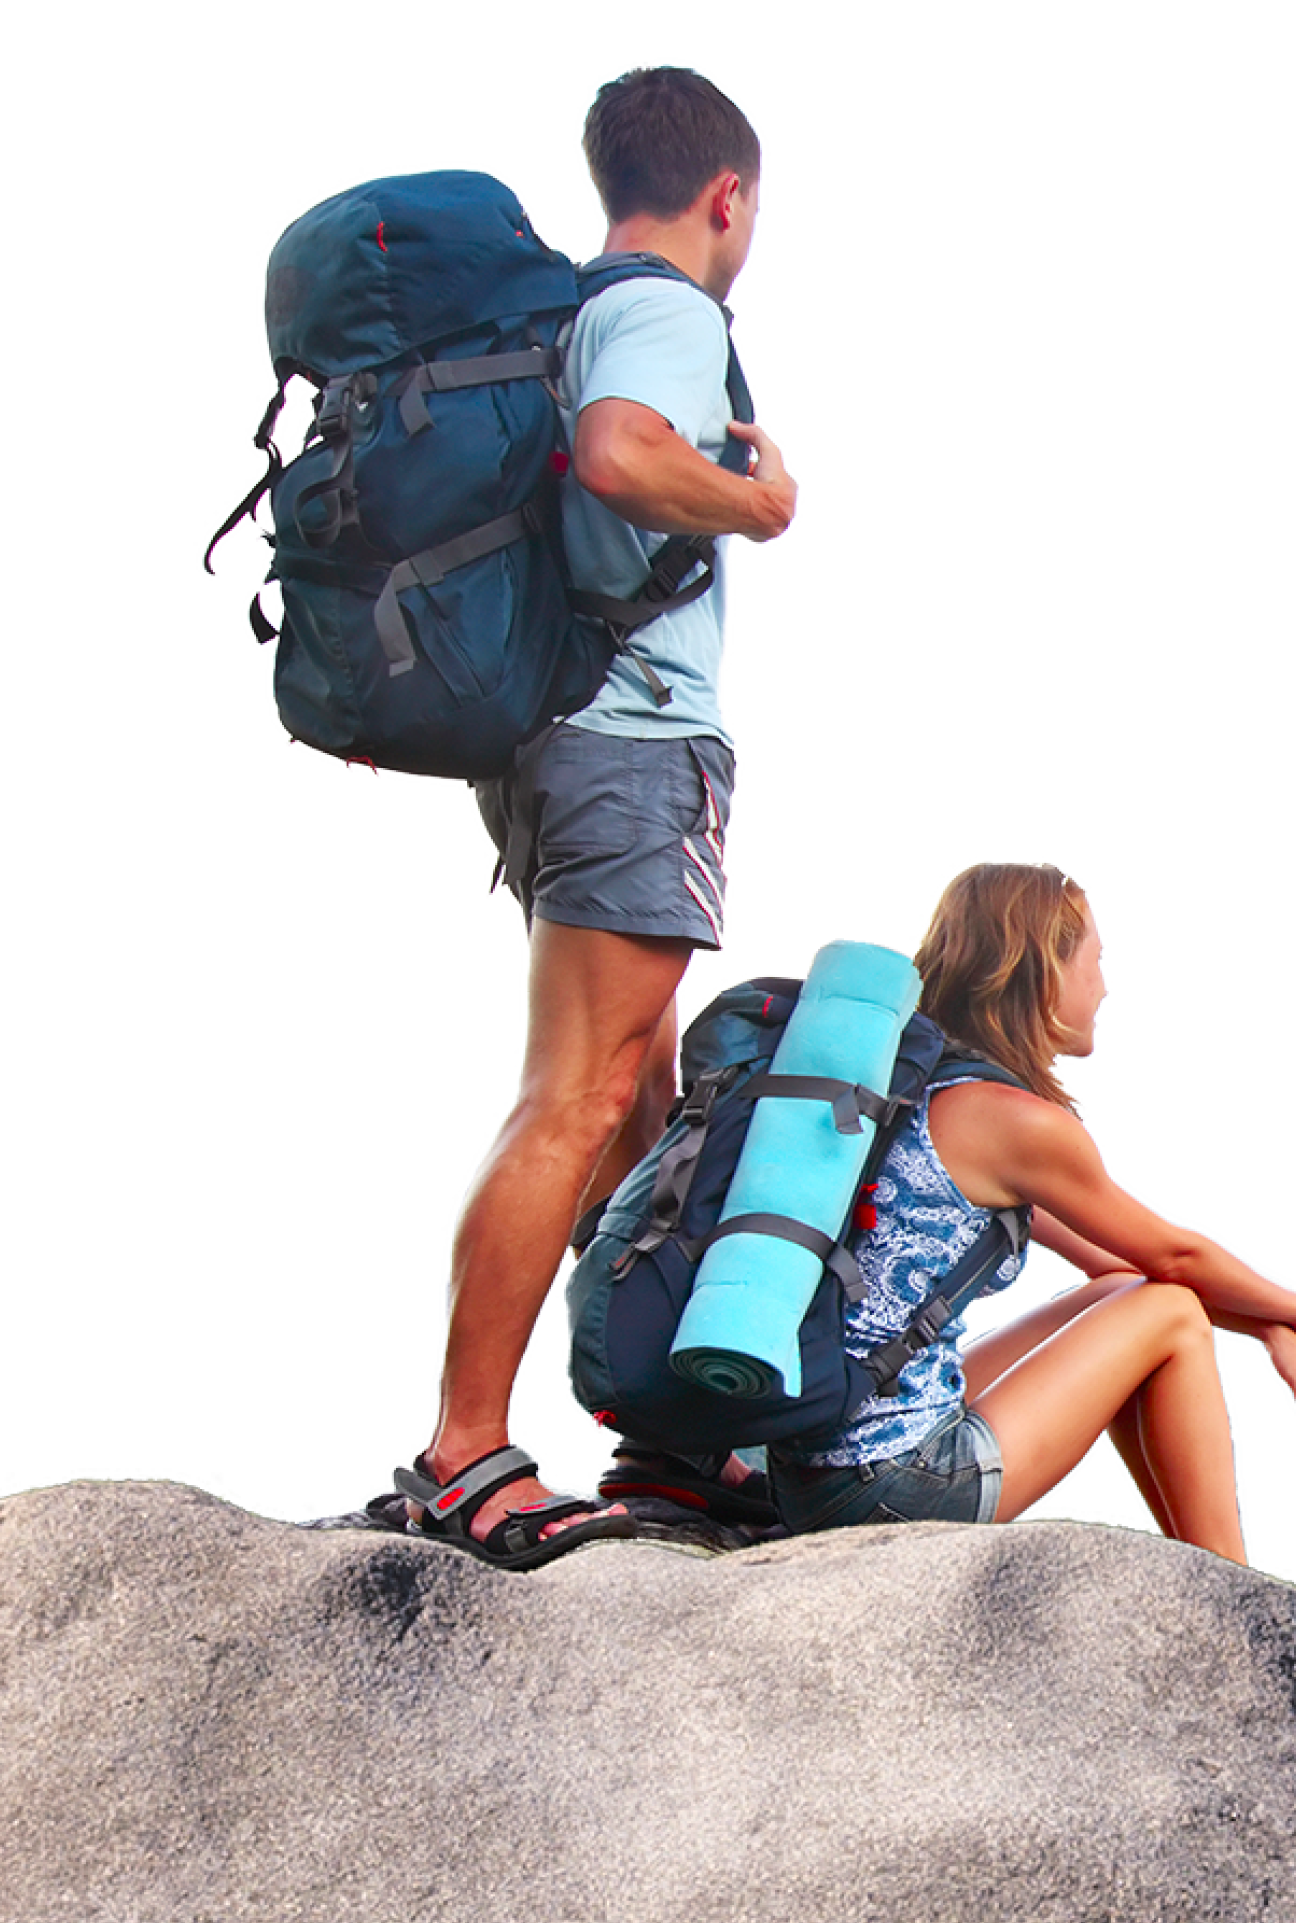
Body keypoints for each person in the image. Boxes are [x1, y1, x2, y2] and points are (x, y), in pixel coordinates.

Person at [390, 62, 798, 1568]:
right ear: (728, 196)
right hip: (626, 744)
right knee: (580, 1090)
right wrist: (755, 503)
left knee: (636, 1100)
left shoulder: (564, 308)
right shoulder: (664, 312)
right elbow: (621, 451)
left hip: (559, 739)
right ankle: (464, 1448)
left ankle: (664, 1441)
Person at [763, 862, 1296, 1564]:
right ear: (1044, 970)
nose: (1104, 984)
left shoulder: (914, 1089)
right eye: (1094, 959)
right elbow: (1176, 1260)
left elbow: (1120, 1267)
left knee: (1121, 1297)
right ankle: (1231, 1585)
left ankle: (1202, 1577)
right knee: (1169, 1314)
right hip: (893, 1486)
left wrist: (1264, 1327)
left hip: (810, 1467)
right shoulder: (1014, 1123)